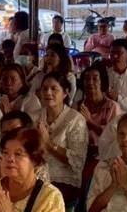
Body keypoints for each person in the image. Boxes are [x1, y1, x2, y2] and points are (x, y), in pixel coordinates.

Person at [36, 73, 88, 204]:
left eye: (54, 89)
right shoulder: (36, 117)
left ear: (65, 93)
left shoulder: (76, 120)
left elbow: (77, 160)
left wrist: (48, 144)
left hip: (64, 182)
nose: (48, 92)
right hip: (37, 177)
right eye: (45, 88)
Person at [77, 64, 118, 148]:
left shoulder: (112, 107)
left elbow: (113, 137)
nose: (90, 82)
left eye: (95, 79)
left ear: (102, 82)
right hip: (81, 152)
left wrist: (90, 122)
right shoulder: (78, 105)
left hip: (104, 154)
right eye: (87, 79)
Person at [106, 39, 127, 113]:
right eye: (112, 53)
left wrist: (118, 98)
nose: (115, 56)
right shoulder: (105, 74)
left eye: (119, 53)